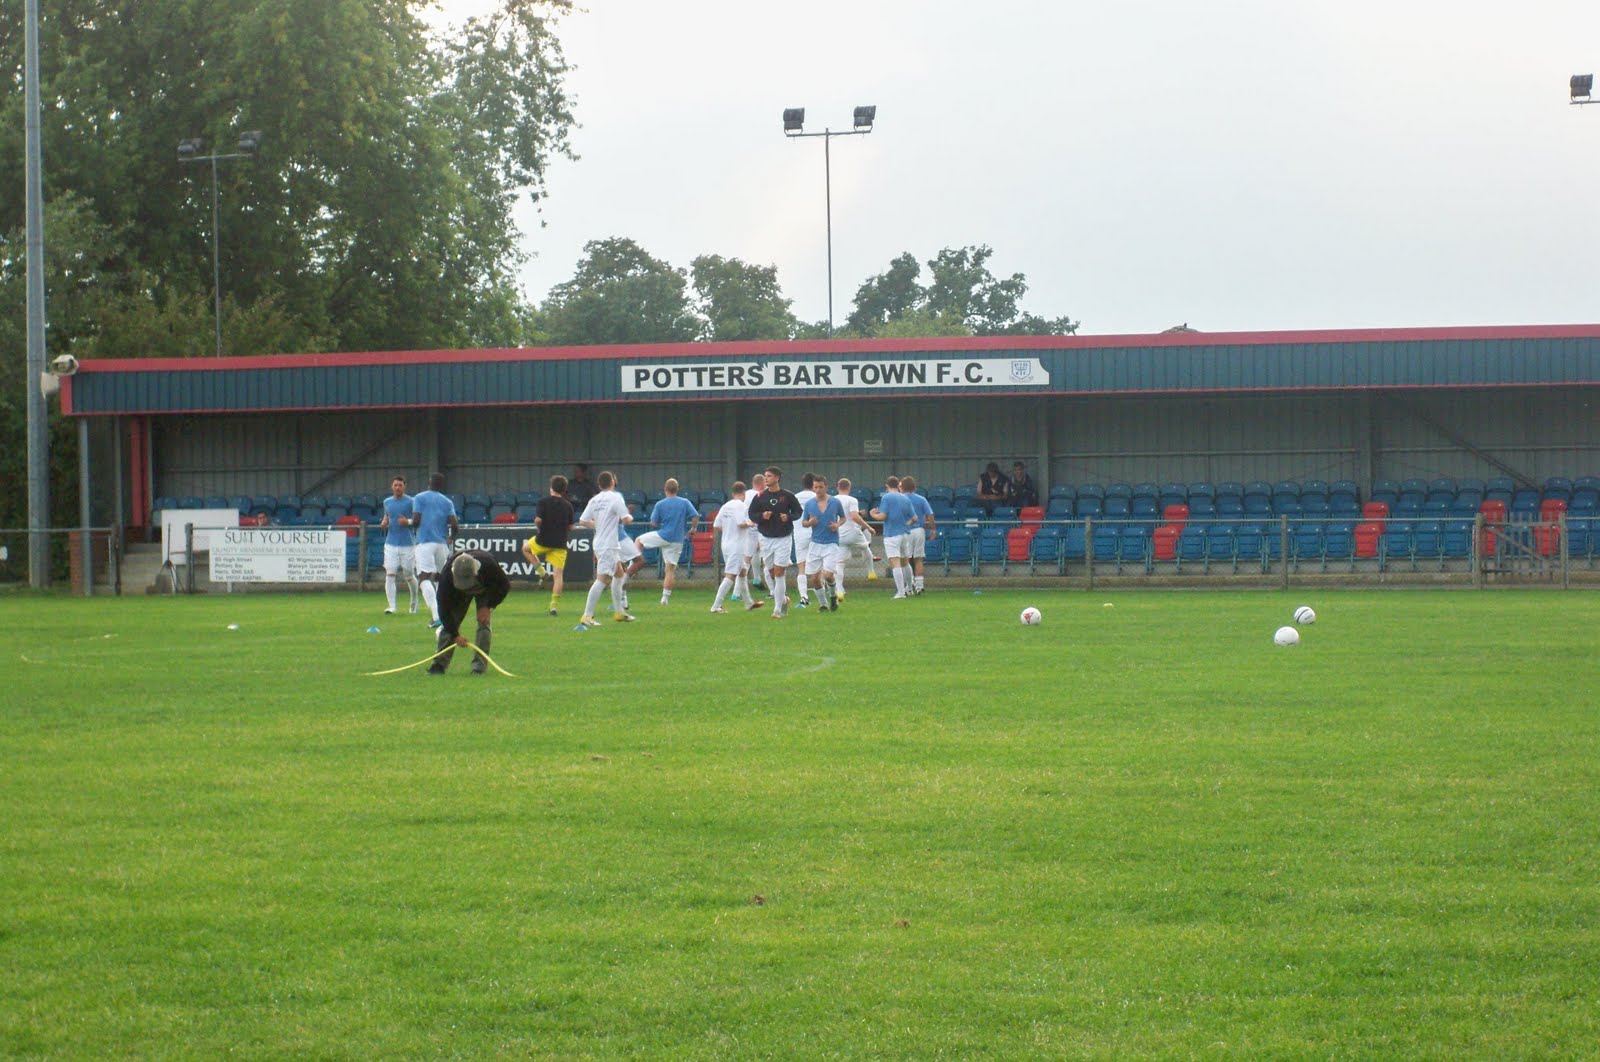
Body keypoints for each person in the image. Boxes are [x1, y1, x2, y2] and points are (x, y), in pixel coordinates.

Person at [427, 550, 511, 676]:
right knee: (451, 623)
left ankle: (478, 668)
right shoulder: (446, 578)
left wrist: (488, 606)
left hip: (485, 588)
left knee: (484, 623)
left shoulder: (489, 566)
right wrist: (455, 635)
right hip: (457, 593)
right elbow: (444, 612)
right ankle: (439, 665)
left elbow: (504, 586)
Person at [625, 478, 699, 605]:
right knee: (670, 570)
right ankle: (665, 599)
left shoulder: (660, 504)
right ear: (677, 489)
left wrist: (660, 520)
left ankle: (633, 563)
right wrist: (693, 528)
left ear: (665, 489)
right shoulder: (685, 502)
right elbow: (695, 516)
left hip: (663, 535)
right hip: (677, 540)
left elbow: (654, 523)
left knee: (639, 540)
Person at [574, 470, 633, 628]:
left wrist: (597, 524)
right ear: (612, 483)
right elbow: (626, 519)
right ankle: (587, 615)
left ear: (599, 485)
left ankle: (619, 612)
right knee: (602, 579)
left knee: (619, 575)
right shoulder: (616, 497)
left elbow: (582, 521)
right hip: (608, 544)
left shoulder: (595, 500)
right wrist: (630, 517)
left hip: (600, 542)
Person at [748, 466, 803, 618]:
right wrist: (762, 516)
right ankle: (784, 600)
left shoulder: (788, 496)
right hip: (766, 538)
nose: (766, 478)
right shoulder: (759, 497)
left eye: (769, 476)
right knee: (771, 572)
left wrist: (789, 517)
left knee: (779, 572)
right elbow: (752, 514)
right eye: (765, 476)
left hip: (783, 538)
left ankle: (777, 610)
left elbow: (798, 512)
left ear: (777, 478)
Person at [410, 473, 461, 628]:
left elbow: (416, 520)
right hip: (442, 544)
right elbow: (455, 524)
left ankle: (436, 616)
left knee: (424, 578)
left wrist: (410, 524)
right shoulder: (447, 501)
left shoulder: (419, 497)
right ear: (441, 486)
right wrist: (451, 537)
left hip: (425, 542)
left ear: (428, 483)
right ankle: (445, 614)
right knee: (440, 579)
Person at [520, 474, 574, 616]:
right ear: (564, 490)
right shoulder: (568, 505)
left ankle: (542, 573)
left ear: (551, 487)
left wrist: (539, 528)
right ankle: (554, 606)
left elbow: (538, 520)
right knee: (558, 575)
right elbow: (570, 527)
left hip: (543, 539)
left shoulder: (543, 502)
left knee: (526, 549)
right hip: (560, 543)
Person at [710, 481, 764, 613]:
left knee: (742, 572)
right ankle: (716, 606)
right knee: (731, 575)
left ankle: (748, 603)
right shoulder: (740, 505)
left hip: (726, 544)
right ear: (744, 493)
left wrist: (729, 530)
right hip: (737, 546)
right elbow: (741, 523)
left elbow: (716, 525)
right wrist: (750, 523)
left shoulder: (725, 506)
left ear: (733, 493)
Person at [802, 476, 846, 611]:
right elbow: (804, 522)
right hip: (815, 543)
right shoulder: (809, 504)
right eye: (815, 487)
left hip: (831, 542)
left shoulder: (835, 502)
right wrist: (810, 523)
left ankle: (833, 596)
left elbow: (843, 517)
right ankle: (823, 604)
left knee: (828, 575)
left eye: (821, 487)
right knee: (814, 578)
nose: (818, 490)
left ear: (826, 487)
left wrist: (837, 524)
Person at [377, 475, 419, 615]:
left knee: (408, 574)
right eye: (395, 485)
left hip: (408, 543)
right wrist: (384, 523)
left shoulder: (412, 501)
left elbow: (418, 520)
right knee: (390, 573)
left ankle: (414, 600)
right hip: (391, 543)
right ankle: (392, 606)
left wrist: (408, 522)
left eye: (400, 485)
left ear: (404, 486)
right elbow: (387, 516)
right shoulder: (387, 502)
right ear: (392, 486)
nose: (397, 487)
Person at [871, 480, 918, 599]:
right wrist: (906, 524)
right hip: (904, 534)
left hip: (892, 534)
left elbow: (883, 516)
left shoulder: (887, 497)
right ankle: (910, 588)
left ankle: (901, 592)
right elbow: (914, 518)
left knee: (895, 562)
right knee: (905, 562)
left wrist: (873, 515)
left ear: (887, 486)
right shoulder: (905, 498)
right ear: (898, 485)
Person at [833, 477, 878, 599]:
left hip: (839, 534)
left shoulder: (832, 500)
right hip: (852, 532)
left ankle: (839, 590)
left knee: (840, 564)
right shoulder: (852, 500)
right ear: (849, 488)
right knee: (865, 547)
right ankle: (871, 572)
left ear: (838, 487)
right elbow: (854, 516)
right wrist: (868, 527)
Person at [901, 475, 936, 595]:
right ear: (914, 487)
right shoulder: (921, 499)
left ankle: (908, 586)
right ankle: (919, 586)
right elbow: (930, 514)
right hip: (919, 530)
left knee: (905, 560)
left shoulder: (900, 499)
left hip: (905, 531)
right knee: (919, 559)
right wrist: (933, 528)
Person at [792, 472, 818, 607]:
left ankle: (804, 597)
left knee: (801, 568)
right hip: (816, 535)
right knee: (819, 567)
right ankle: (823, 596)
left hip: (799, 535)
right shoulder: (818, 497)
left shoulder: (795, 497)